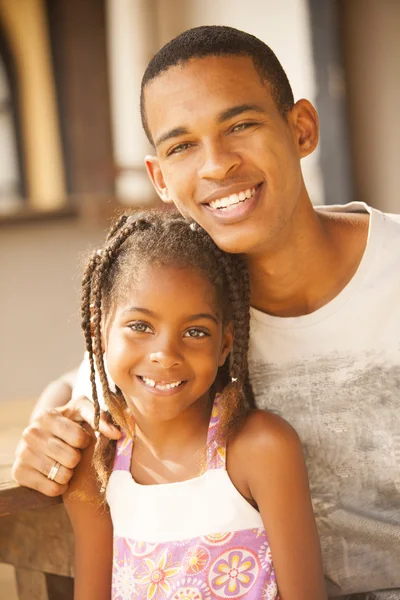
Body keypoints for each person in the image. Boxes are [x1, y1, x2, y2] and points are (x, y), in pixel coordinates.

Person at [12, 26, 400, 599]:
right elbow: (87, 384)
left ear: (302, 129)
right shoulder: (190, 309)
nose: (217, 165)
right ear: (160, 178)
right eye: (181, 146)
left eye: (240, 125)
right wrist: (49, 427)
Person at [64, 209, 326, 600]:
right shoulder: (95, 463)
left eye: (195, 332)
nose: (165, 354)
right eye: (140, 326)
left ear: (224, 344)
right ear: (99, 325)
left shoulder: (261, 449)